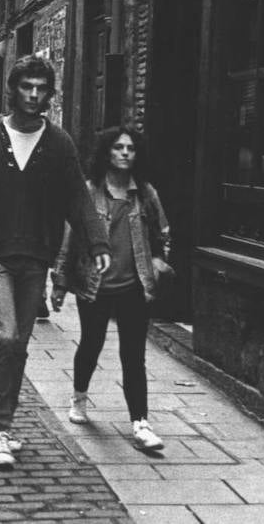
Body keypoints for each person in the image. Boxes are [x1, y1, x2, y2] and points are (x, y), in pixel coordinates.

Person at [0, 55, 110, 470]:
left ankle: (3, 422)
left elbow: (78, 198)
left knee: (19, 345)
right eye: (27, 87)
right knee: (4, 336)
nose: (34, 95)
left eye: (41, 89)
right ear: (14, 90)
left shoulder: (59, 144)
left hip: (34, 257)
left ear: (49, 94)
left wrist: (97, 242)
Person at [53, 125, 173, 453]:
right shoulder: (89, 191)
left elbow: (162, 233)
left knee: (133, 355)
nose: (124, 153)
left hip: (133, 286)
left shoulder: (146, 194)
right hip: (95, 285)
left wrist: (160, 260)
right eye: (118, 147)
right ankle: (79, 398)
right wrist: (60, 283)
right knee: (92, 343)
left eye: (130, 149)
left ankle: (141, 423)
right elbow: (70, 238)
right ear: (107, 152)